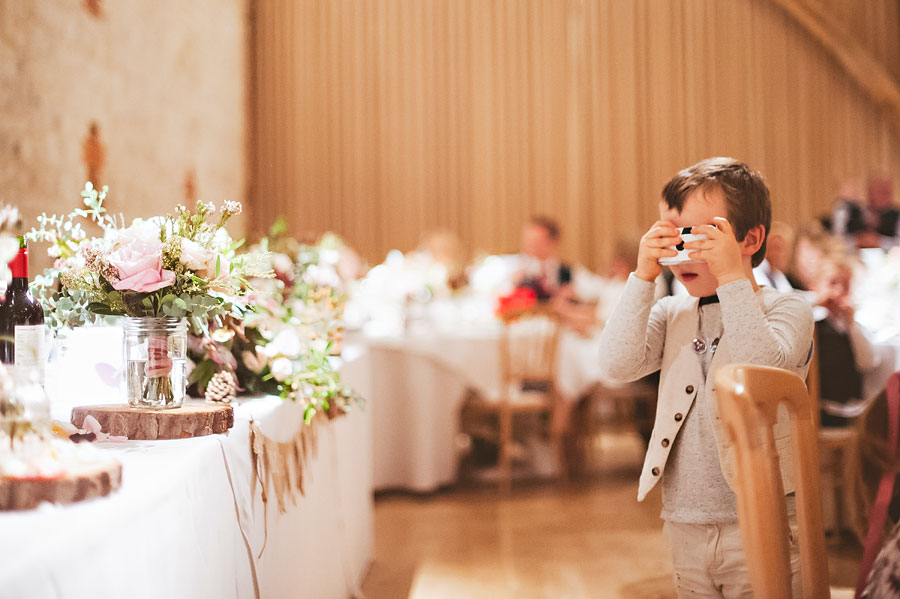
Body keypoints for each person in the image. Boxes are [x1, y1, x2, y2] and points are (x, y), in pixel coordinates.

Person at [598, 157, 814, 598]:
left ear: (751, 239)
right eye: (672, 236)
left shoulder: (787, 310)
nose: (683, 252)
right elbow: (617, 364)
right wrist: (643, 276)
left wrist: (733, 275)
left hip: (764, 519)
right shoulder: (671, 312)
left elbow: (762, 373)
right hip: (684, 520)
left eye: (702, 236)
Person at [812, 253, 880, 427]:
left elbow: (867, 361)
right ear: (816, 286)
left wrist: (851, 323)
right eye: (833, 283)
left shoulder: (852, 326)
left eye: (846, 285)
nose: (839, 291)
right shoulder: (813, 321)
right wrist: (817, 305)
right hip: (823, 406)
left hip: (852, 405)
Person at [513, 215, 573, 301]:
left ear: (553, 242)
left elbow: (596, 290)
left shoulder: (569, 272)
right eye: (527, 241)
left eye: (536, 242)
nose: (529, 246)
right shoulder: (511, 269)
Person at [752, 220, 798, 293]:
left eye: (784, 249)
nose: (778, 254)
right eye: (775, 247)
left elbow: (789, 295)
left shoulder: (777, 275)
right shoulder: (755, 272)